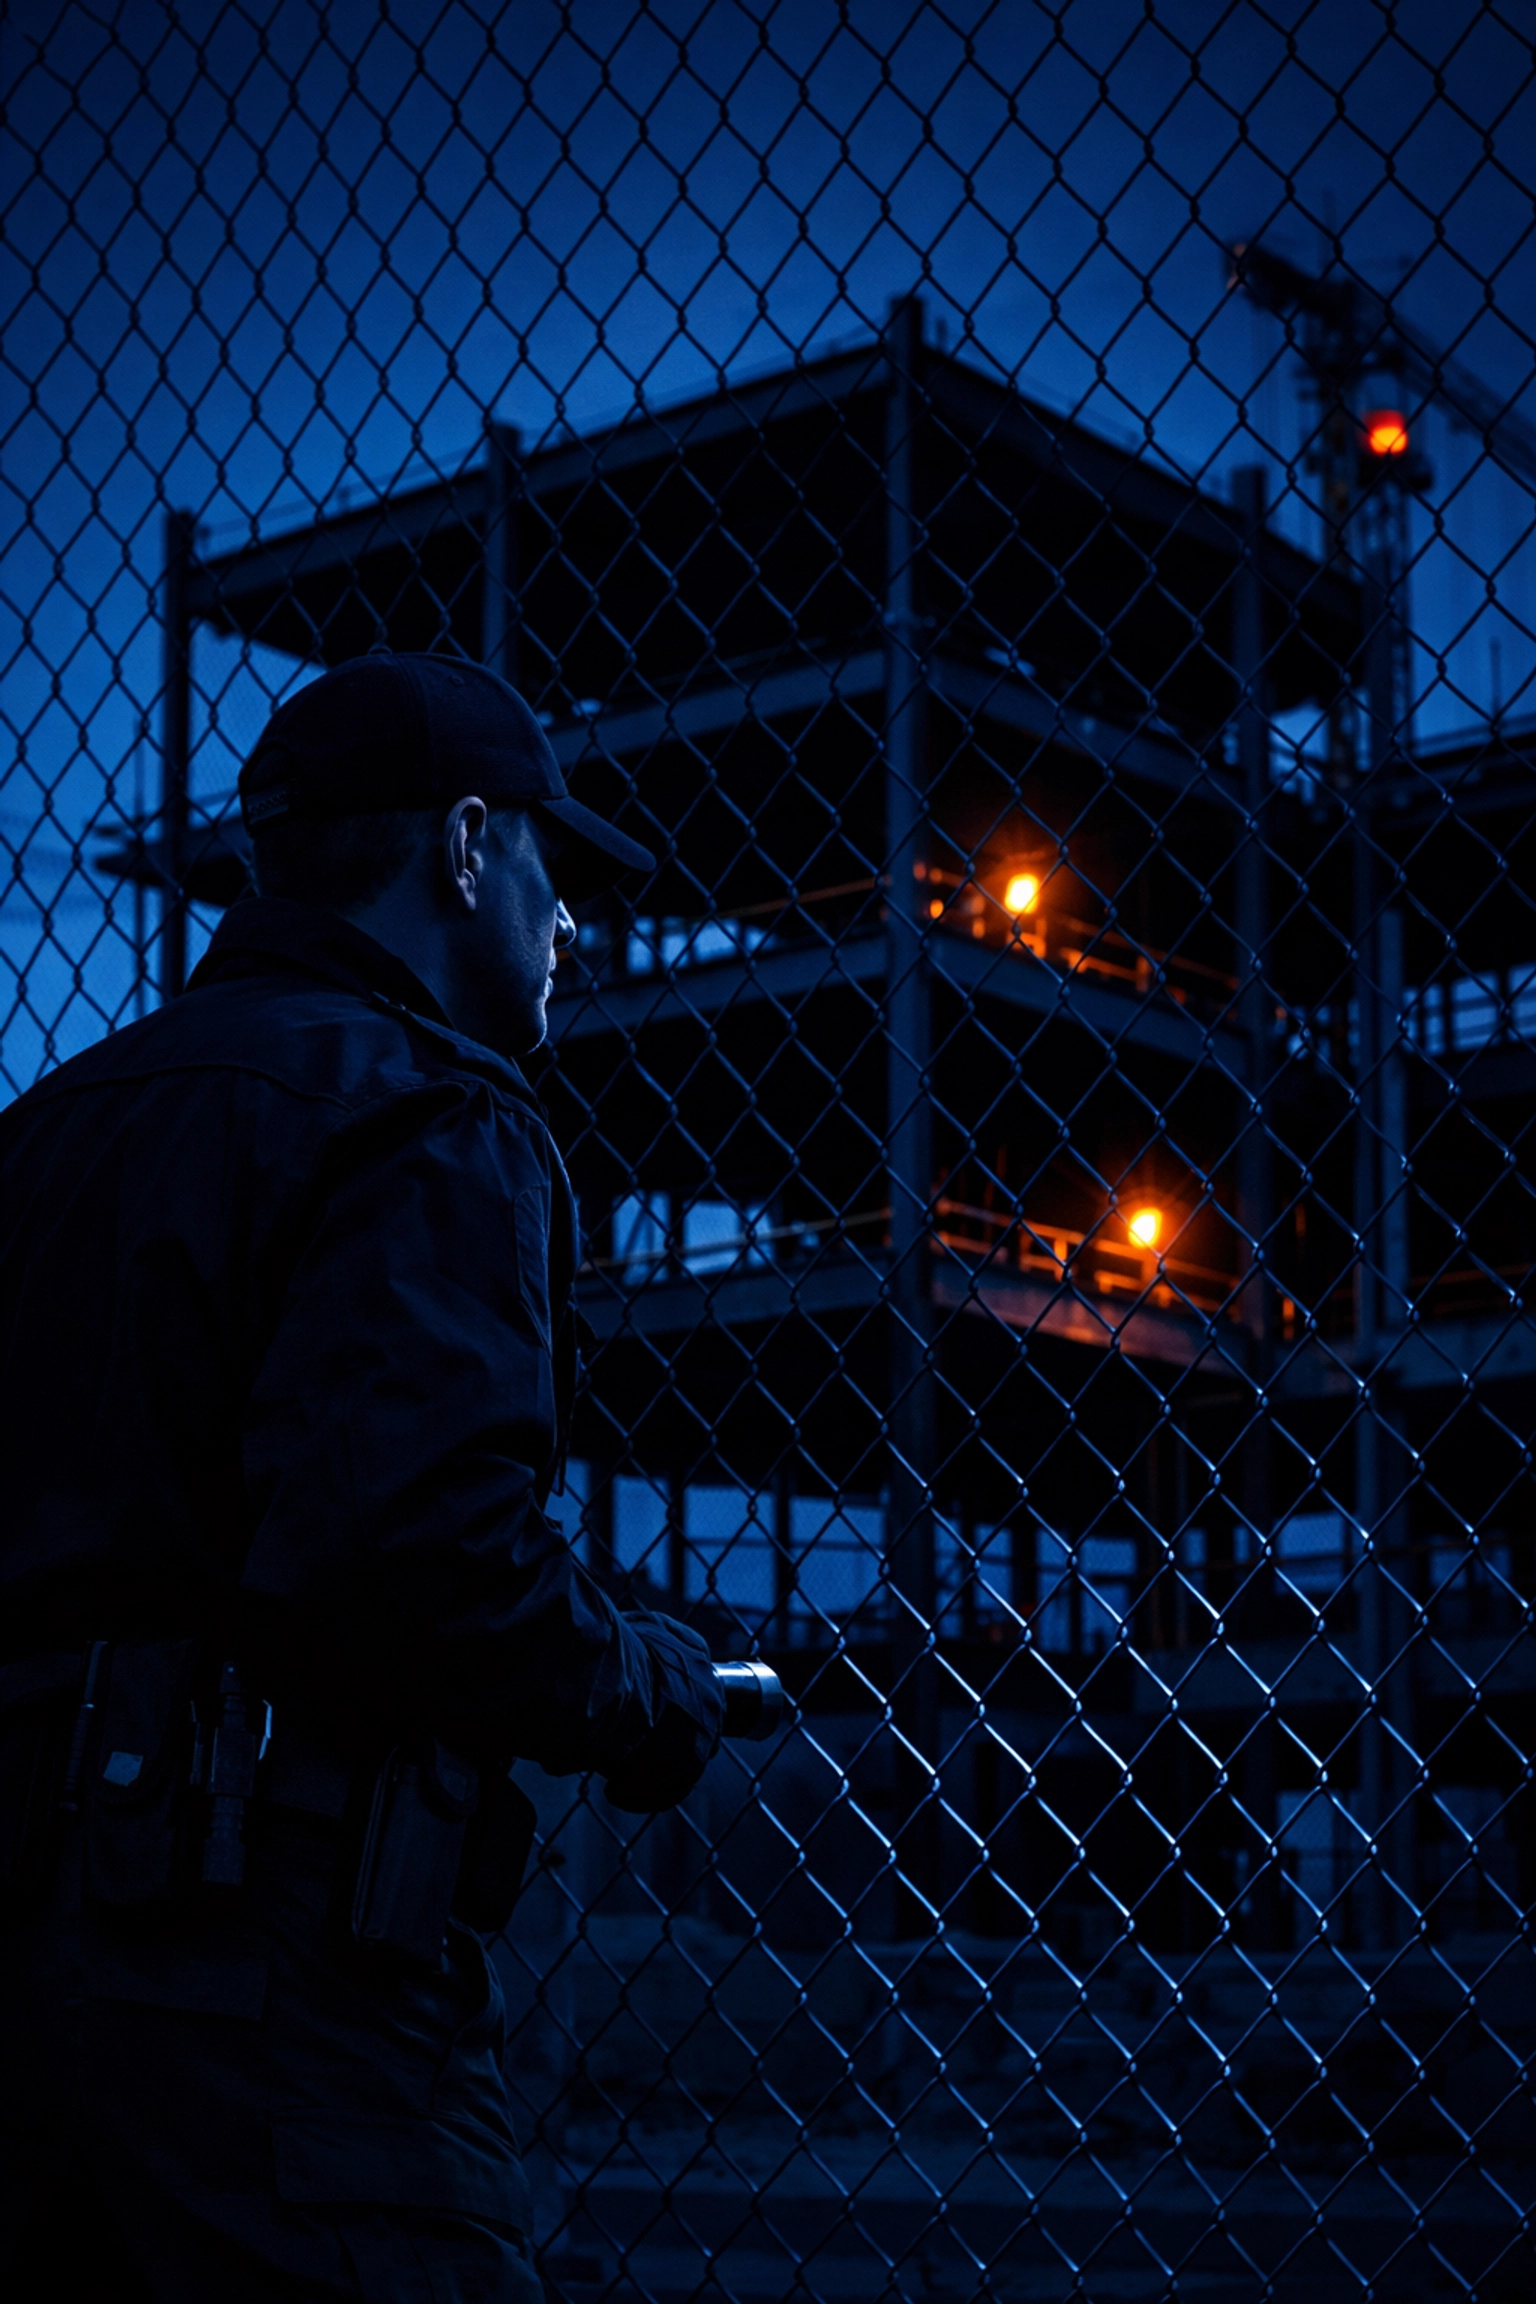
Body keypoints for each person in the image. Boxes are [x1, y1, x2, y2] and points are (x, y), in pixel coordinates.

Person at [0, 650, 724, 2300]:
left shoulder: (47, 1129)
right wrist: (645, 1684)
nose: (568, 922)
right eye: (546, 862)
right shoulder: (426, 1108)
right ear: (465, 847)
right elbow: (414, 1554)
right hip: (270, 1965)